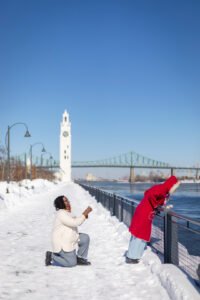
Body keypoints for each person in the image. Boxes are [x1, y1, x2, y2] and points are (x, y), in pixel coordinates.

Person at [126, 175, 180, 264]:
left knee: (140, 234)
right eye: (174, 187)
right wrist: (156, 205)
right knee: (139, 235)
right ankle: (132, 257)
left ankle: (133, 255)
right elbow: (152, 195)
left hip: (145, 212)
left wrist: (160, 206)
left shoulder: (163, 190)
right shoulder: (162, 189)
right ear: (171, 185)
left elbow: (148, 193)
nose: (174, 190)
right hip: (144, 213)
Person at [45, 195, 92, 267]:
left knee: (85, 238)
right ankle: (52, 256)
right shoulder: (61, 213)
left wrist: (84, 216)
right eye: (65, 201)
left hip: (69, 238)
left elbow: (75, 221)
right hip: (62, 242)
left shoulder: (67, 213)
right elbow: (75, 223)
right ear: (61, 203)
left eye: (68, 201)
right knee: (71, 263)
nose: (68, 203)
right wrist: (85, 213)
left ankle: (80, 258)